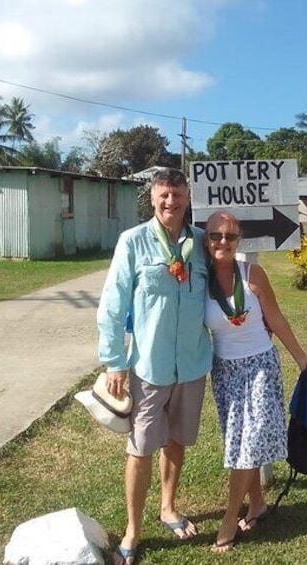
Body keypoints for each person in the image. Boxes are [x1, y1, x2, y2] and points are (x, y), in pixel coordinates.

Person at [97, 168, 213, 565]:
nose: (170, 202)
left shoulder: (201, 242)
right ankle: (133, 527)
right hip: (149, 365)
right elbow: (113, 305)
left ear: (187, 199)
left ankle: (168, 506)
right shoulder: (133, 242)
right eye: (164, 195)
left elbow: (227, 281)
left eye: (177, 196)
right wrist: (115, 361)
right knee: (142, 447)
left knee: (177, 439)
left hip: (192, 363)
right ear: (153, 198)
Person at [202, 210, 307, 553]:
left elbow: (276, 318)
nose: (223, 242)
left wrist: (302, 357)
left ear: (239, 240)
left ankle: (229, 518)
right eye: (215, 236)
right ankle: (257, 503)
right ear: (205, 240)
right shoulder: (199, 279)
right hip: (224, 371)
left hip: (260, 366)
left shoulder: (253, 274)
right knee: (238, 440)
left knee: (249, 442)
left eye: (230, 236)